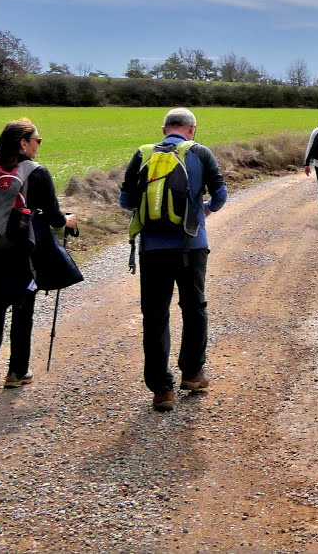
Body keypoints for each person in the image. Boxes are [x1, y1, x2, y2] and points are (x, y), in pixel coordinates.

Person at [119, 108, 228, 412]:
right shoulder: (200, 153)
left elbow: (126, 200)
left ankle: (161, 390)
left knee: (155, 315)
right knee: (194, 308)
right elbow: (221, 194)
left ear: (164, 129)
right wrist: (203, 211)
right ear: (191, 129)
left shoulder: (142, 154)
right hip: (193, 245)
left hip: (152, 249)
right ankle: (192, 374)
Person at [0, 118, 78, 388]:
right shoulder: (37, 172)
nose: (38, 146)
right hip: (23, 252)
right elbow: (55, 217)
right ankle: (17, 372)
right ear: (23, 143)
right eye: (37, 140)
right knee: (23, 310)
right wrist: (66, 220)